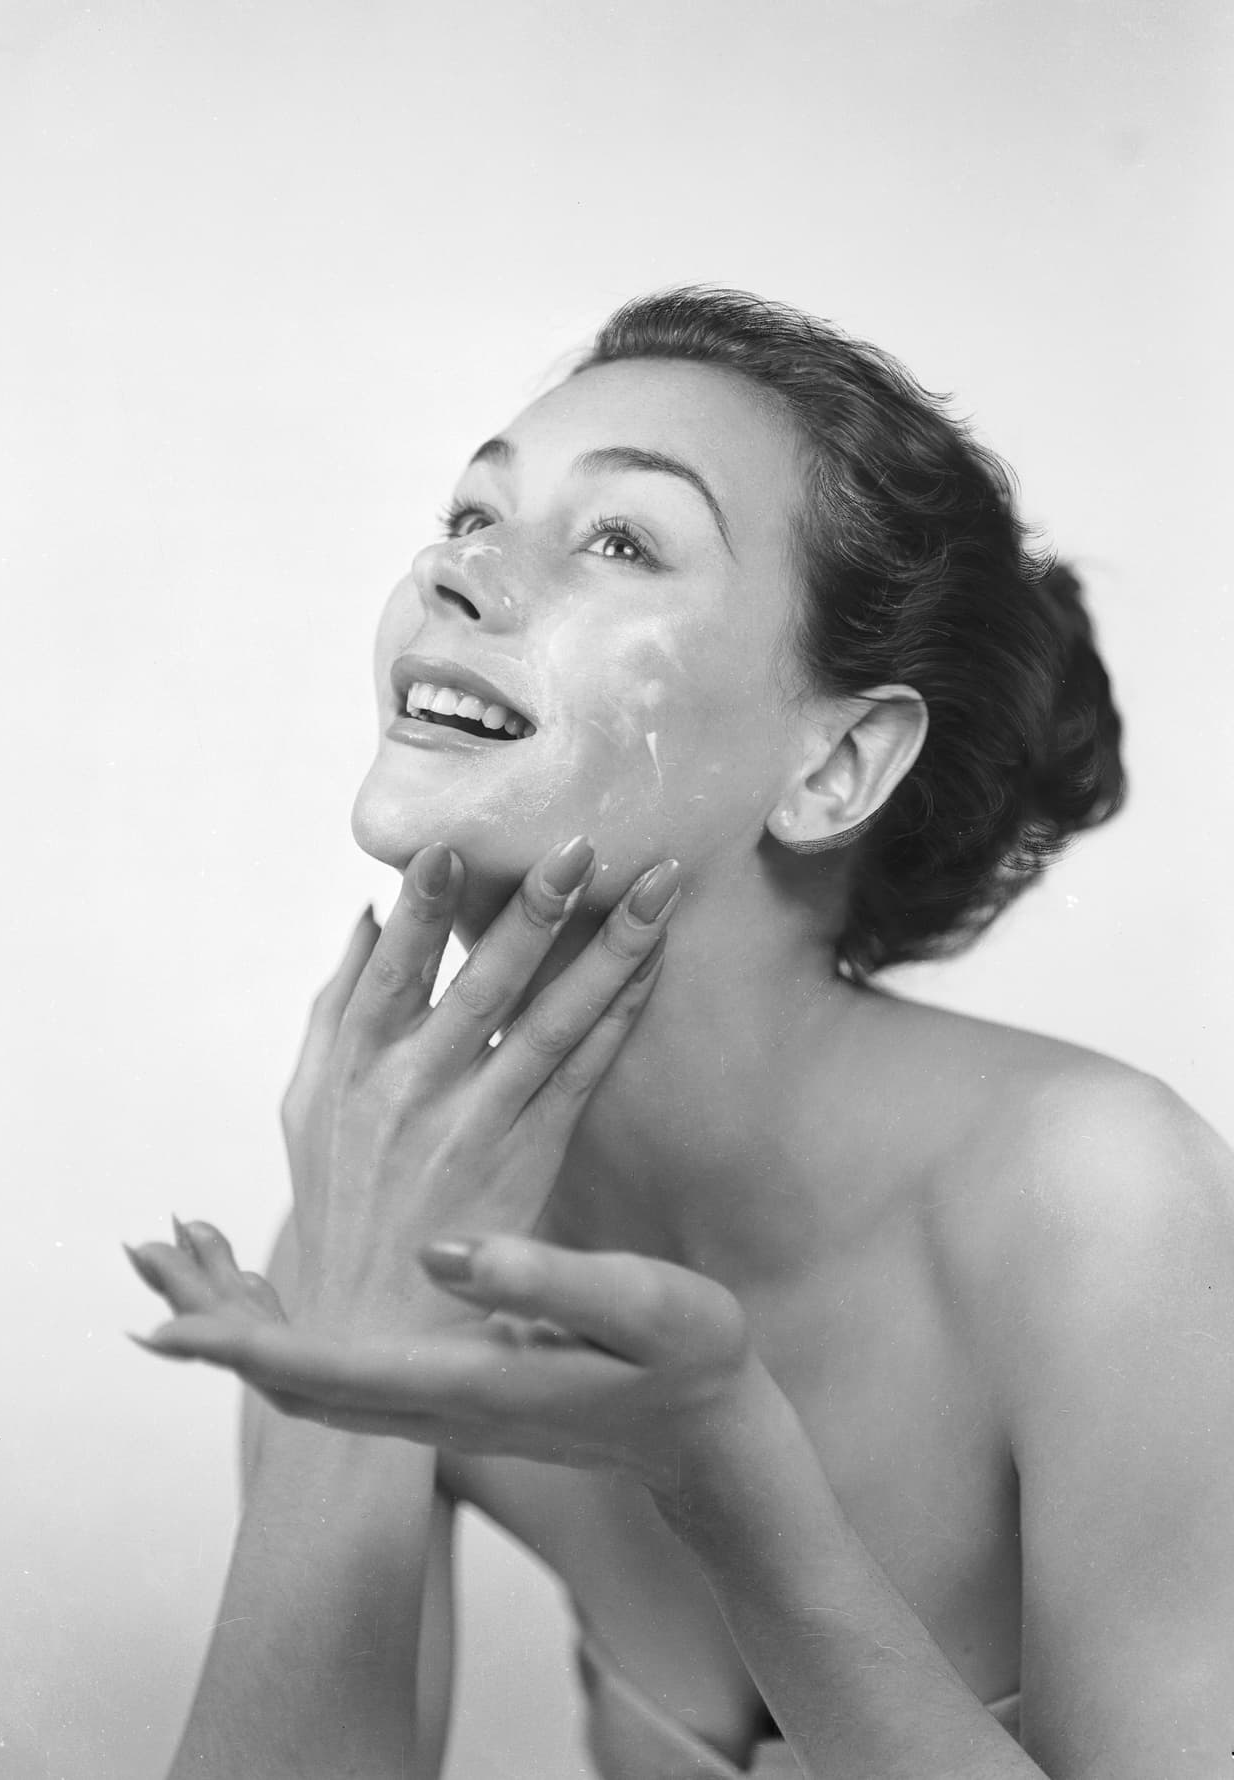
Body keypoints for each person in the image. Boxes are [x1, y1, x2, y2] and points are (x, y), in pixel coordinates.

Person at [126, 287, 1234, 1780]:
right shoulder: (396, 1200)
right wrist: (350, 1341)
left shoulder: (1103, 1205)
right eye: (471, 511)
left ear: (839, 763)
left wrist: (728, 1468)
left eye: (622, 539)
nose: (455, 572)